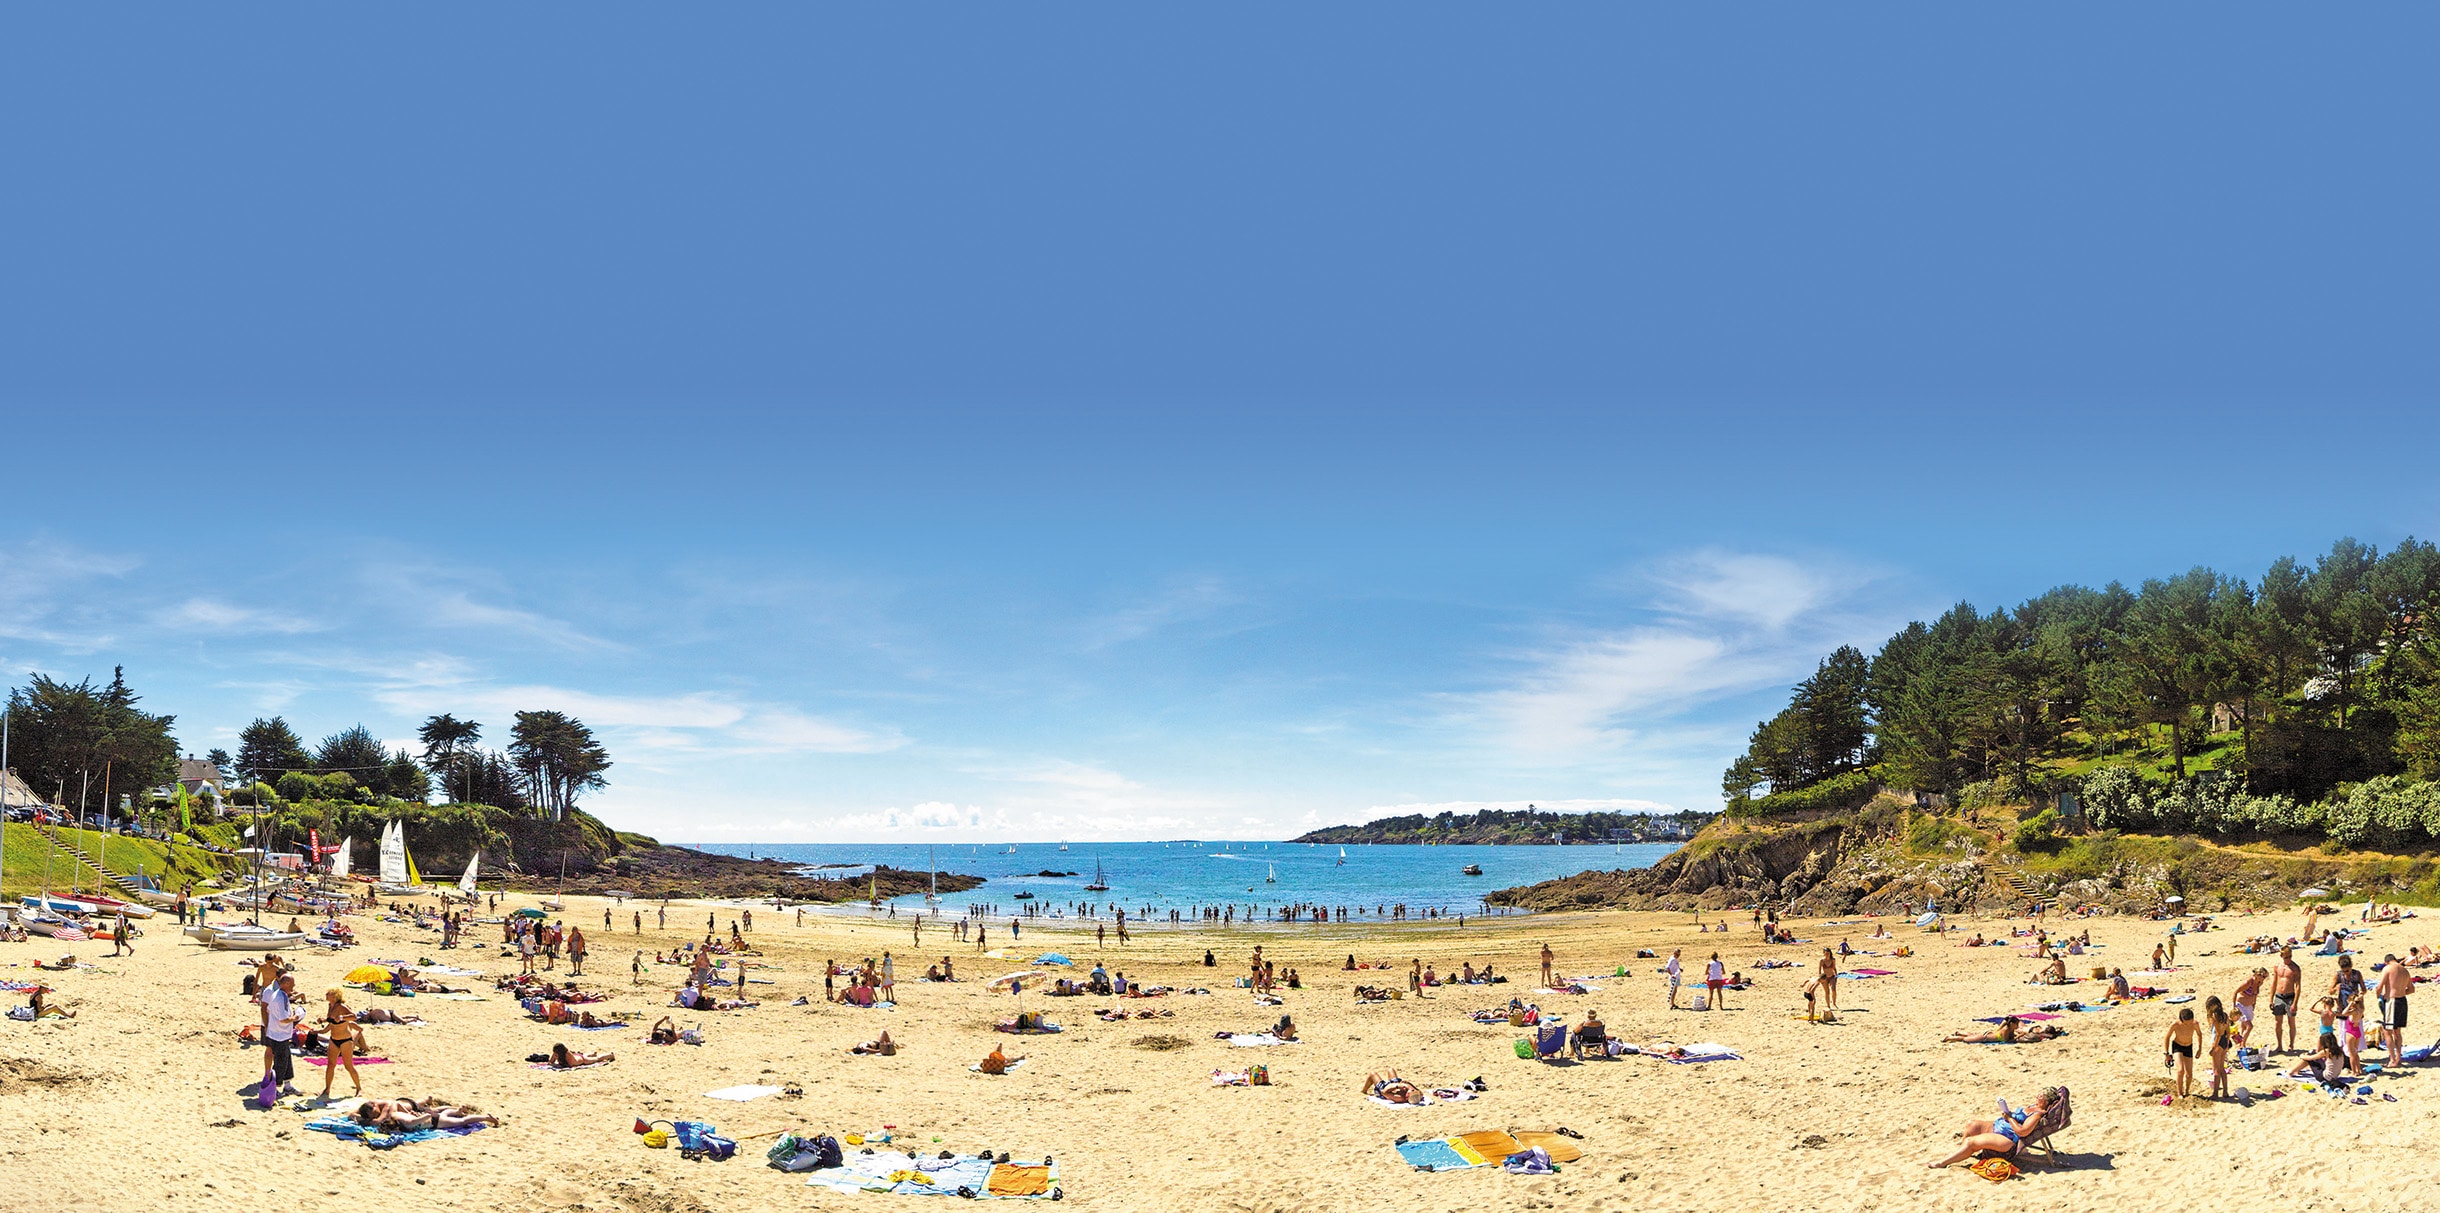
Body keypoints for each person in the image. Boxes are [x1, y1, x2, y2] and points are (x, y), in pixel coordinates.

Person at [1925, 1088, 2053, 1169]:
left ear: (2046, 1101)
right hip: (1998, 1127)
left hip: (2007, 1139)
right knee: (1972, 1125)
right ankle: (1959, 1152)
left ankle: (1943, 1163)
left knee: (1971, 1142)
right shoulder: (2033, 1106)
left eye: (2041, 1096)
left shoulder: (2037, 1115)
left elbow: (2022, 1131)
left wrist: (2009, 1118)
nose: (2037, 1096)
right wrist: (2008, 1112)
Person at [259, 972, 304, 1101]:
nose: (294, 987)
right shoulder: (279, 997)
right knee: (280, 1062)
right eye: (292, 984)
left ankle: (288, 1085)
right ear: (286, 984)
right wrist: (296, 1017)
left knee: (287, 1059)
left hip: (280, 1034)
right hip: (278, 1035)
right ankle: (275, 1088)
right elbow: (283, 1019)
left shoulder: (280, 994)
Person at [319, 988, 364, 1101]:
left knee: (348, 1066)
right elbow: (332, 1021)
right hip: (333, 1039)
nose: (326, 994)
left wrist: (343, 1017)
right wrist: (323, 1020)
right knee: (330, 1065)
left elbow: (354, 1016)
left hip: (345, 1040)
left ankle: (359, 1088)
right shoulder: (330, 1006)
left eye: (328, 993)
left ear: (334, 996)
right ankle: (327, 1089)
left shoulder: (341, 1006)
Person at [2376, 953, 2413, 1067]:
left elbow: (2379, 987)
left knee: (2387, 1030)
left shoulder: (2387, 968)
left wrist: (2379, 996)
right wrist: (2401, 992)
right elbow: (2411, 989)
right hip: (2402, 1001)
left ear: (2386, 962)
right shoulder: (2404, 970)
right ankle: (2398, 1057)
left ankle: (2392, 1060)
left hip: (2392, 1001)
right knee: (2397, 1031)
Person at [2163, 1007, 2203, 1100]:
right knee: (2180, 1070)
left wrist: (2200, 1049)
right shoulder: (2175, 1025)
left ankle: (2187, 1091)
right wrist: (2166, 1053)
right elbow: (2167, 1037)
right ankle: (2180, 1093)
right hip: (2177, 1046)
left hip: (2188, 1047)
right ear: (2181, 1020)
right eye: (2186, 1023)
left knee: (2189, 1075)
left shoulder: (2195, 1024)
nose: (2188, 1025)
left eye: (2190, 1022)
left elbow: (2199, 1034)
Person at [2269, 945, 2302, 1053]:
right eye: (2286, 957)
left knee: (2291, 1022)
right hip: (2279, 996)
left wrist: (2295, 1003)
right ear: (2281, 956)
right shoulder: (2277, 966)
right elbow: (2274, 983)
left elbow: (2298, 986)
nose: (2288, 959)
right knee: (2278, 1022)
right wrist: (2271, 999)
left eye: (2290, 956)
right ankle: (2279, 1045)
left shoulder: (2295, 968)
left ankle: (2291, 1044)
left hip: (2290, 997)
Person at [2204, 996, 2234, 1099]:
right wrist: (2227, 1043)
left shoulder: (2214, 1017)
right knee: (2222, 1069)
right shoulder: (2225, 1015)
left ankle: (2215, 1093)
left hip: (2217, 1042)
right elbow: (2228, 1031)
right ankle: (2225, 1091)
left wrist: (2213, 1047)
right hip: (2224, 1041)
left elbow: (2217, 1034)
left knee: (2216, 1070)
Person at [2232, 968, 2264, 1047]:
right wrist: (2234, 1006)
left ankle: (2240, 1046)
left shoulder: (2259, 983)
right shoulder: (2248, 982)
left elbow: (2255, 995)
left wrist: (2253, 1005)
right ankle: (2243, 1044)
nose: (2264, 979)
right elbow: (2236, 992)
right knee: (2249, 1026)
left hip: (2248, 1006)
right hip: (2241, 1005)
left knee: (2243, 1027)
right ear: (2258, 975)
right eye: (2263, 976)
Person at [1815, 948, 1840, 1022]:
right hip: (1825, 977)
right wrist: (1819, 977)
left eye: (1828, 952)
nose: (1827, 954)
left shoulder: (1833, 960)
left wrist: (1836, 975)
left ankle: (1834, 1003)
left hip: (1832, 976)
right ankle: (1828, 1005)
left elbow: (1834, 968)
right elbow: (1819, 969)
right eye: (1825, 952)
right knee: (1827, 992)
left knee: (1834, 990)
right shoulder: (1822, 961)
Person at [548, 1042, 614, 1068]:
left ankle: (610, 1055)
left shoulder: (567, 1054)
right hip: (577, 1056)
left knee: (597, 1059)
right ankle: (592, 1054)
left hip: (582, 1060)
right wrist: (553, 1061)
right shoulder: (556, 1053)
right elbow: (551, 1061)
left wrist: (555, 1064)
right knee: (584, 1055)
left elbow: (569, 1065)